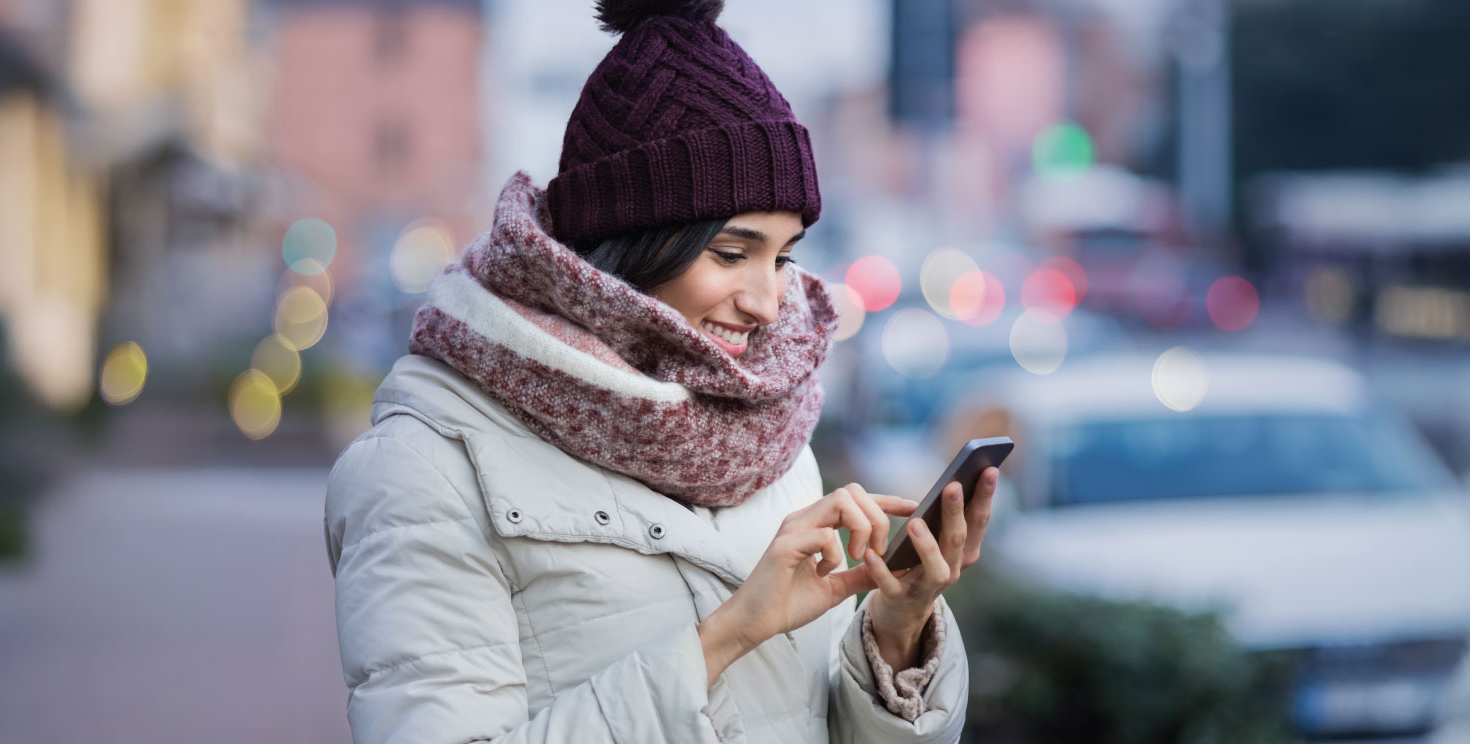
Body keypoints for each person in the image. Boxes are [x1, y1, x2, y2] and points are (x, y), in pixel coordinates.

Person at [323, 2, 999, 742]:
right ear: (629, 245)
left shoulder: (766, 427)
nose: (770, 302)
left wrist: (898, 633)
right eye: (733, 254)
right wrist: (724, 639)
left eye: (785, 256)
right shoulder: (424, 466)